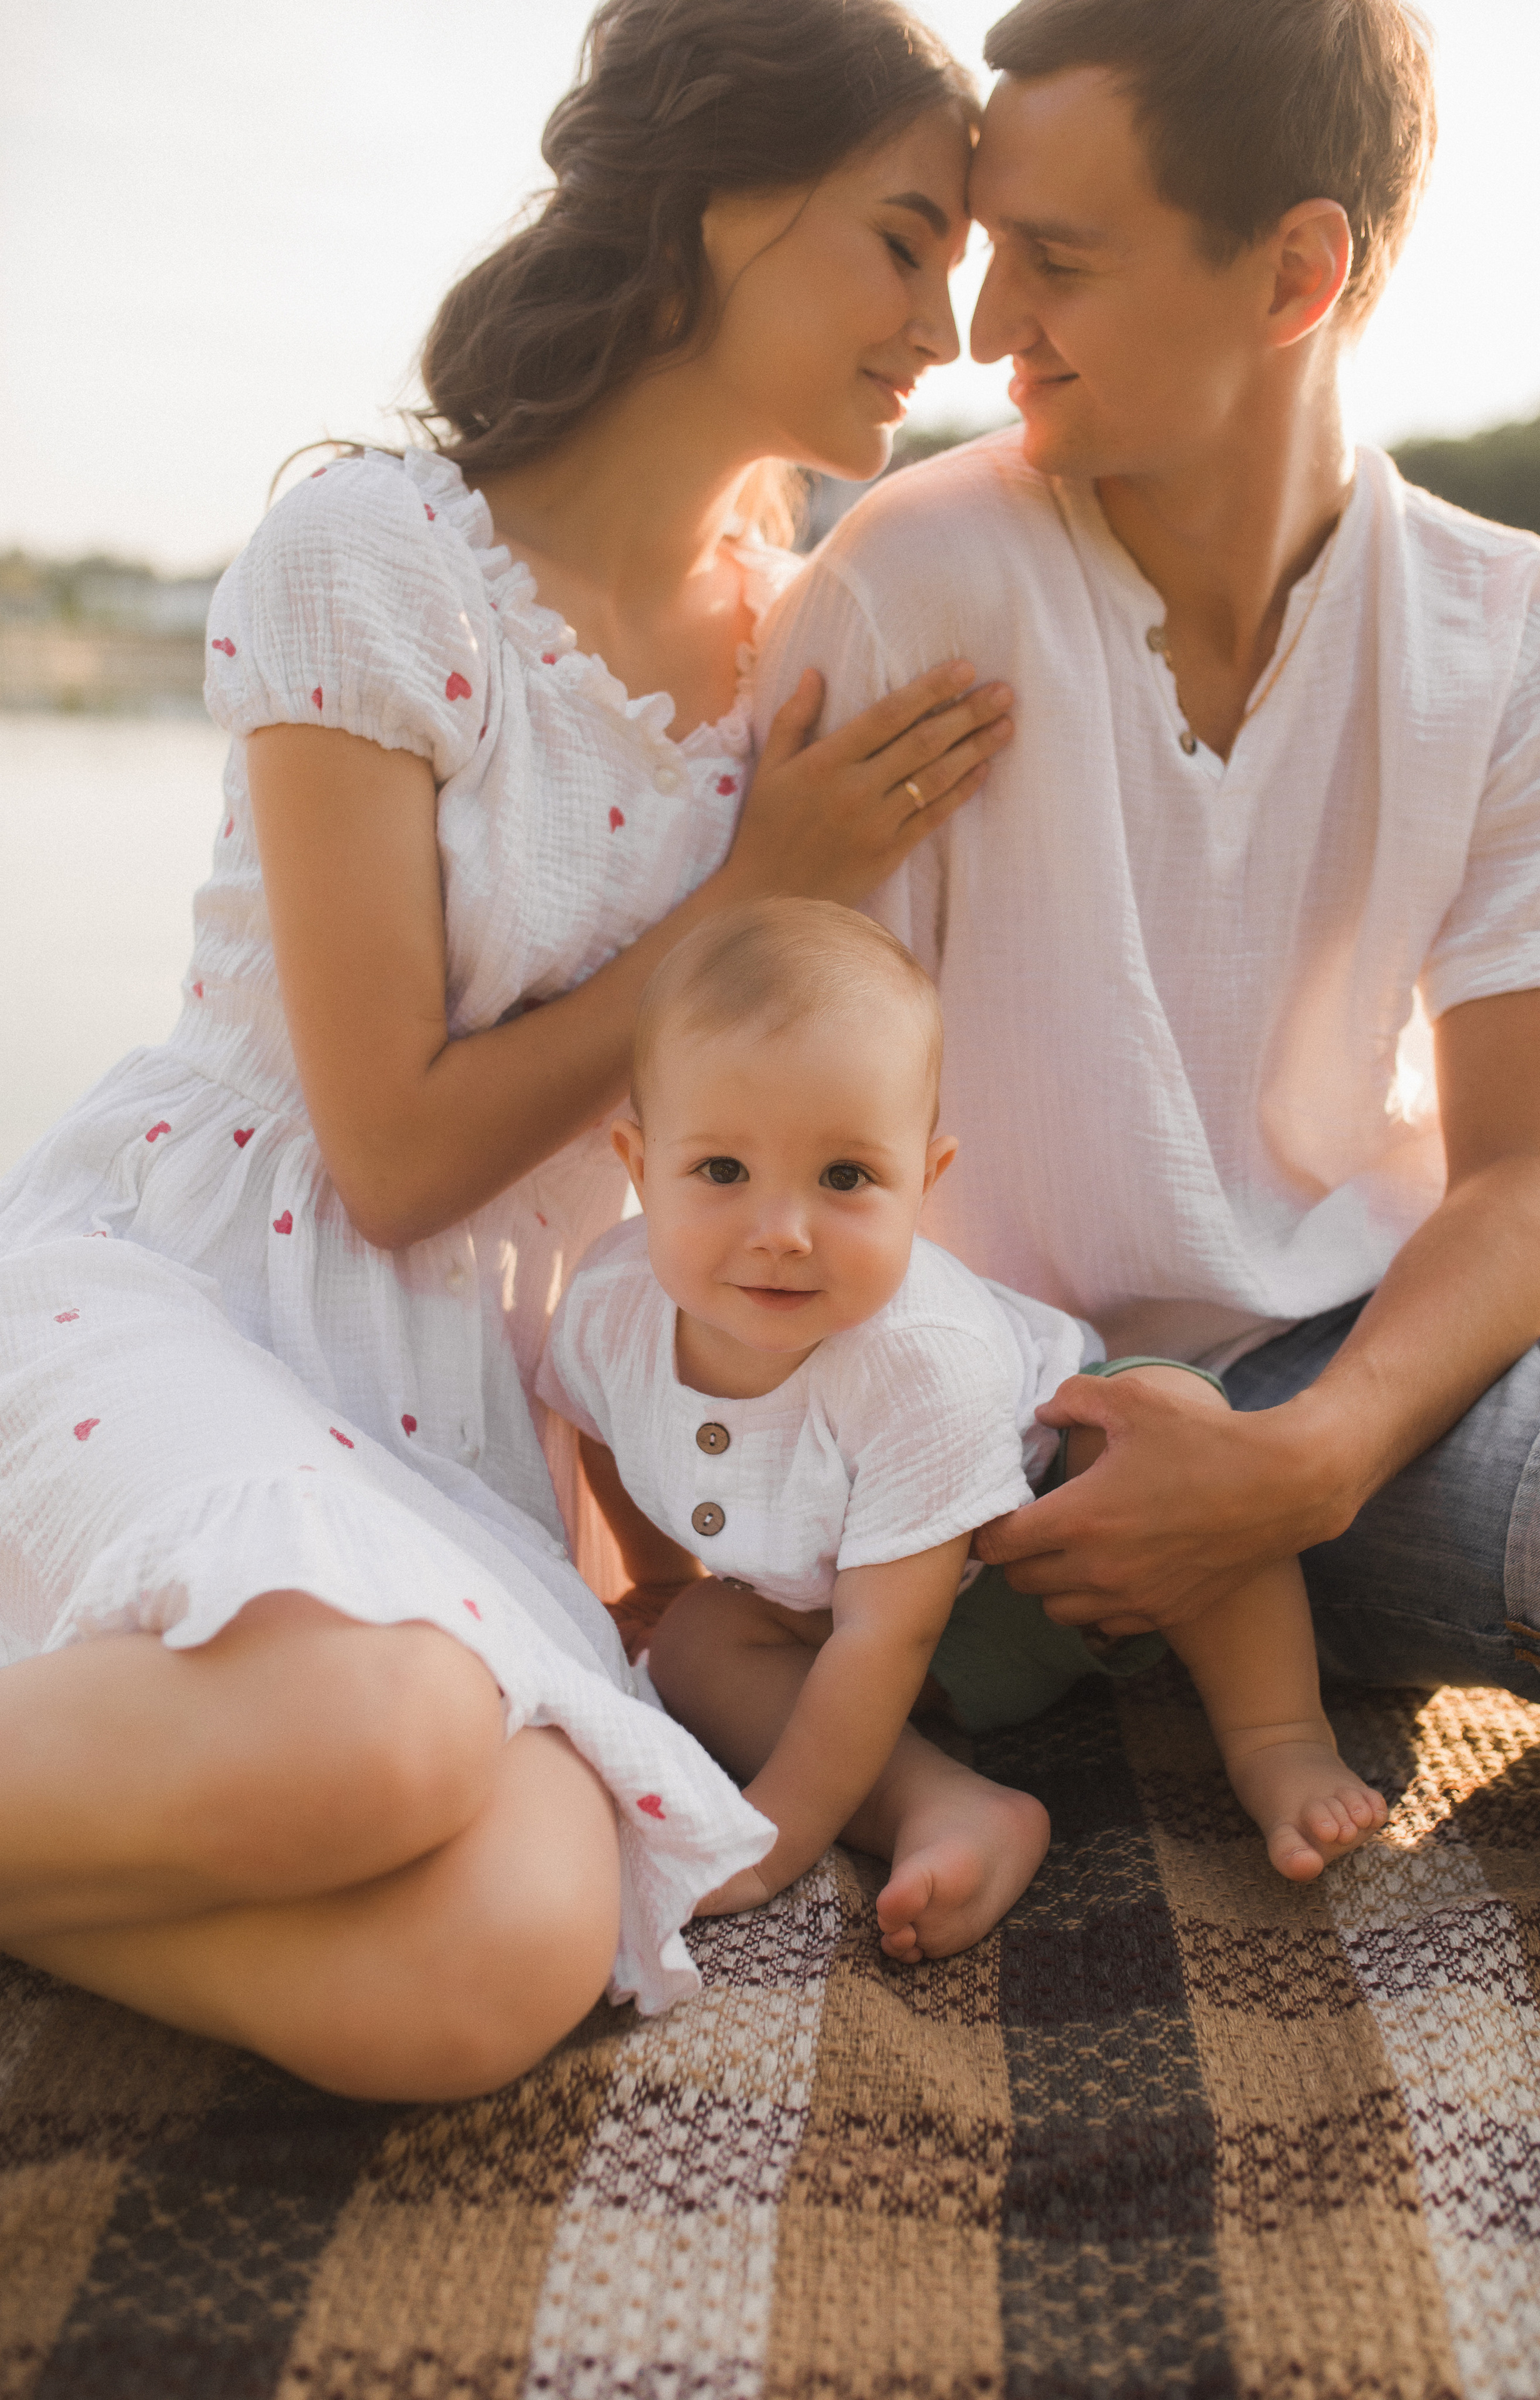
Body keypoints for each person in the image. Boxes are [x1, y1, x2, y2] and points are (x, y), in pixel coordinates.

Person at [0, 0, 1016, 2103]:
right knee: (371, 1741)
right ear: (725, 201)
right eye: (910, 241)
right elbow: (386, 1151)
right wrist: (746, 901)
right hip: (217, 1292)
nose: (954, 325)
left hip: (475, 1405)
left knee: (513, 1946)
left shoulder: (798, 644)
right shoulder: (373, 559)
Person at [753, 0, 1540, 1736]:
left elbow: (1530, 1169)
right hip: (1041, 1402)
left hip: (1369, 1344)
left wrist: (1313, 1458)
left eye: (1056, 261)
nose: (987, 330)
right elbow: (781, 1162)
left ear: (1295, 276)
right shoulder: (913, 593)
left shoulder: (1523, 639)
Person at [539, 899, 1386, 1948]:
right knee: (696, 1643)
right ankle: (940, 1805)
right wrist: (660, 1578)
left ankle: (1279, 1735)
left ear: (924, 1181)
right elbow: (604, 1431)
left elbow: (885, 1632)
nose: (783, 1233)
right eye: (721, 1171)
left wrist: (775, 1841)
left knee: (1172, 1420)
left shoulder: (918, 1359)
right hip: (915, 1639)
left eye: (846, 1177)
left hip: (1074, 1531)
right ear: (636, 1165)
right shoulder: (608, 1311)